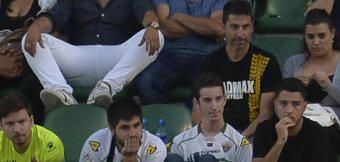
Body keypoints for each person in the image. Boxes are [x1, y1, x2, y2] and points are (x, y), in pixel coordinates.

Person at [21, 0, 162, 110]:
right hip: (79, 59)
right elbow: (54, 16)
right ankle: (61, 92)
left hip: (116, 61)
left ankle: (107, 88)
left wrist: (152, 25)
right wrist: (36, 27)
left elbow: (147, 13)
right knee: (31, 38)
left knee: (157, 36)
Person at [282, 9, 340, 162]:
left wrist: (329, 86)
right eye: (311, 37)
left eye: (321, 36)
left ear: (332, 34)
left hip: (339, 128)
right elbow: (281, 103)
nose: (316, 42)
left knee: (318, 134)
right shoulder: (293, 63)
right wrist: (296, 88)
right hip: (299, 122)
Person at [196, 0, 281, 139]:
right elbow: (198, 109)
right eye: (234, 27)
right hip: (216, 135)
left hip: (253, 135)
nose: (241, 34)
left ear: (252, 27)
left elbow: (266, 114)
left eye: (245, 27)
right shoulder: (210, 63)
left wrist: (240, 139)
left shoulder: (267, 62)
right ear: (224, 27)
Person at [132, 0, 225, 104]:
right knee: (144, 84)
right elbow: (163, 27)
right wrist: (202, 28)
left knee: (208, 90)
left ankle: (193, 118)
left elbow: (218, 29)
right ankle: (167, 117)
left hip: (204, 57)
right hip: (168, 57)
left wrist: (180, 17)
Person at [0, 0, 45, 117]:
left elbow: (51, 41)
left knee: (33, 84)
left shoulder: (46, 5)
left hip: (30, 64)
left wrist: (22, 62)